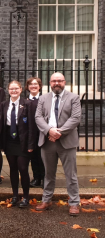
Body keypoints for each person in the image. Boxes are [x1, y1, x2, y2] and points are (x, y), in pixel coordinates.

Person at [35, 73, 81, 216]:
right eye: (54, 81)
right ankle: (46, 200)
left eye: (59, 81)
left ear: (64, 82)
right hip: (48, 141)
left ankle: (74, 203)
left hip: (66, 142)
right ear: (50, 83)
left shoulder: (73, 98)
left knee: (71, 175)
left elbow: (75, 118)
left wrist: (58, 132)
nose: (57, 83)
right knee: (48, 174)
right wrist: (49, 131)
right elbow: (38, 117)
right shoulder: (43, 98)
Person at [1, 80, 34, 208]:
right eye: (11, 89)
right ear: (8, 91)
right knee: (13, 169)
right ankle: (15, 195)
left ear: (21, 89)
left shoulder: (28, 104)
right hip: (9, 140)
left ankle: (26, 196)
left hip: (23, 141)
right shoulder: (3, 105)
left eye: (16, 89)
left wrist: (31, 144)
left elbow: (32, 125)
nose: (13, 91)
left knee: (23, 168)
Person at [25, 77, 44, 188]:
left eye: (35, 84)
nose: (33, 86)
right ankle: (36, 178)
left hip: (42, 133)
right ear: (28, 87)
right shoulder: (25, 101)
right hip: (29, 133)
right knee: (33, 157)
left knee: (43, 157)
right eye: (31, 84)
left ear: (39, 86)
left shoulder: (44, 99)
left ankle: (45, 178)